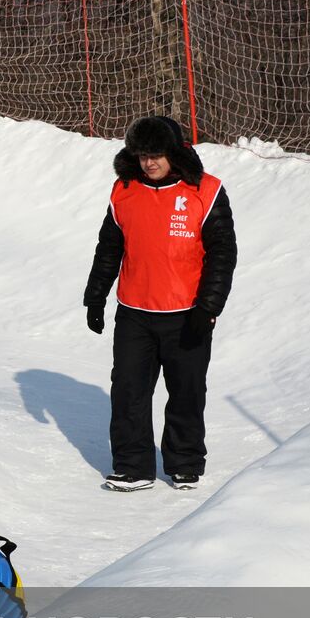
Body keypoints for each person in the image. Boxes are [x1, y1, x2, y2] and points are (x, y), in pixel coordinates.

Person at [83, 116, 237, 492]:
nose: (149, 163)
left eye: (156, 155)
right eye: (142, 155)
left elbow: (223, 254)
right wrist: (96, 296)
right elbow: (109, 249)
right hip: (135, 313)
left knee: (186, 390)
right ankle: (133, 467)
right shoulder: (124, 190)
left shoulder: (206, 191)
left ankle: (184, 463)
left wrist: (208, 307)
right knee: (128, 391)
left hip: (188, 315)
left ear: (174, 152)